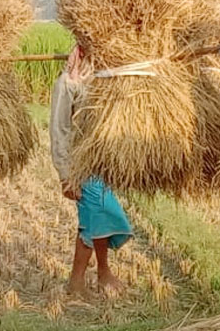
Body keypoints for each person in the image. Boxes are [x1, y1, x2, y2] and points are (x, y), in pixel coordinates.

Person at [50, 45, 133, 296]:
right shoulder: (67, 83)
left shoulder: (104, 77)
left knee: (98, 218)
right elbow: (59, 129)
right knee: (96, 216)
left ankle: (98, 275)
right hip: (79, 164)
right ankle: (82, 280)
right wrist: (65, 175)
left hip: (102, 162)